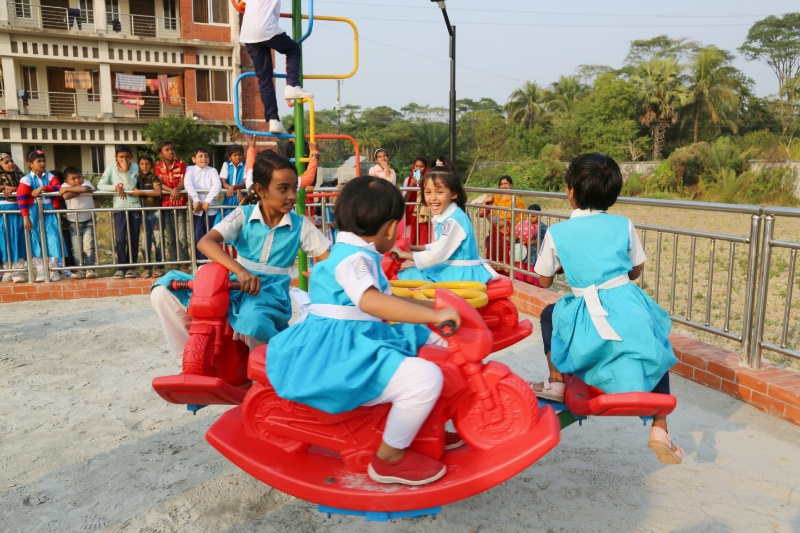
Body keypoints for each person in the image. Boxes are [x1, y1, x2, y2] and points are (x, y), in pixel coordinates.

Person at [266, 176, 461, 486]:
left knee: (430, 341)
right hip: (340, 352)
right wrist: (434, 316)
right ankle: (389, 459)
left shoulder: (349, 252)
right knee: (425, 378)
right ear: (390, 228)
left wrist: (427, 312)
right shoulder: (355, 260)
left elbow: (383, 298)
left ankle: (424, 428)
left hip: (353, 337)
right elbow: (371, 302)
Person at [530, 153, 683, 465]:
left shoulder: (558, 232)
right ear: (613, 194)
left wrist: (566, 271)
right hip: (626, 303)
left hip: (584, 310)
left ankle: (557, 381)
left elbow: (543, 280)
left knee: (549, 315)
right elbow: (635, 270)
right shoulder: (623, 224)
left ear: (570, 191)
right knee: (655, 342)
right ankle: (660, 427)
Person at [151, 152, 330, 357]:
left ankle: (262, 377)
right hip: (234, 283)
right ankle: (191, 356)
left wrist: (321, 274)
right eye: (283, 189)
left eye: (294, 189)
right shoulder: (243, 214)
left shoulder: (301, 225)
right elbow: (205, 242)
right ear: (261, 190)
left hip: (269, 293)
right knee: (163, 290)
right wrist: (240, 271)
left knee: (253, 320)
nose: (291, 196)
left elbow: (329, 260)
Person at [393, 168, 498, 284]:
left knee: (408, 277)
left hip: (459, 274)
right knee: (411, 273)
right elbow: (441, 245)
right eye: (428, 192)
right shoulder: (451, 215)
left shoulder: (453, 221)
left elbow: (437, 255)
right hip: (454, 269)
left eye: (439, 192)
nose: (433, 198)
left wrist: (403, 254)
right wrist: (412, 247)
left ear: (453, 194)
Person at [239, 0, 313, 134]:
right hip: (266, 28)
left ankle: (273, 119)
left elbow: (241, 4)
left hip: (248, 33)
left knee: (264, 78)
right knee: (293, 50)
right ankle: (292, 85)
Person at [15, 150, 63, 282]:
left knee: (53, 239)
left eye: (44, 161)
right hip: (33, 211)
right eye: (39, 161)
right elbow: (21, 198)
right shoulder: (26, 179)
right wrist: (26, 216)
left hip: (49, 210)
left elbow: (58, 187)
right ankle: (41, 270)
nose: (42, 164)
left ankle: (54, 270)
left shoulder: (50, 176)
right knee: (35, 240)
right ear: (30, 164)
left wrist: (42, 189)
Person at [97, 144, 141, 279]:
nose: (124, 159)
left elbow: (131, 186)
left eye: (127, 157)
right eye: (121, 157)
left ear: (131, 157)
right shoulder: (111, 168)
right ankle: (121, 267)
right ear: (116, 157)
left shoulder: (134, 167)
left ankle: (131, 267)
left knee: (133, 239)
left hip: (134, 208)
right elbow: (100, 185)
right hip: (119, 208)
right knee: (121, 239)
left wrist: (126, 171)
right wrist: (115, 187)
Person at [154, 141, 188, 272]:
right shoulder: (158, 166)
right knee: (171, 237)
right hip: (166, 205)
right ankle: (174, 263)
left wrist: (177, 189)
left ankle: (185, 262)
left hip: (179, 205)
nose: (170, 152)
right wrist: (172, 190)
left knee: (182, 237)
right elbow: (159, 183)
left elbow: (184, 182)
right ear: (161, 153)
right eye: (167, 150)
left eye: (172, 149)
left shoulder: (181, 164)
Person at [183, 147, 222, 262]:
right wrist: (196, 200)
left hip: (211, 208)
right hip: (197, 209)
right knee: (198, 234)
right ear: (194, 159)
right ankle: (201, 262)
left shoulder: (212, 170)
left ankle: (214, 260)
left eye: (206, 156)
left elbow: (217, 186)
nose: (204, 158)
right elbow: (188, 184)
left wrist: (207, 201)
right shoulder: (189, 169)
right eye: (200, 156)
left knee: (212, 235)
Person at [58, 167, 97, 279]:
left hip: (88, 219)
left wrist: (70, 190)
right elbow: (66, 196)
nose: (77, 181)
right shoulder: (64, 186)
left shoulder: (87, 182)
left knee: (89, 245)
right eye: (73, 179)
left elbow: (85, 188)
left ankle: (89, 269)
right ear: (66, 181)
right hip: (73, 221)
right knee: (76, 247)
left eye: (79, 177)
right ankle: (80, 269)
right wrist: (70, 190)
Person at [481, 175, 525, 275]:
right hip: (495, 230)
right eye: (501, 184)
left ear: (511, 185)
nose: (504, 186)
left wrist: (506, 223)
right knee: (493, 256)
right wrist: (485, 201)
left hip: (508, 232)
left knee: (506, 257)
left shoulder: (517, 200)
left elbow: (521, 217)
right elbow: (482, 213)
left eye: (506, 184)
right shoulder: (495, 198)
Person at [132, 155, 163, 278]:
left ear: (152, 165)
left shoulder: (154, 177)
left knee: (158, 240)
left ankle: (160, 267)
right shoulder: (136, 179)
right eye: (142, 164)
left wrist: (141, 192)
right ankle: (147, 268)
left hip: (155, 212)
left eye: (148, 164)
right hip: (143, 213)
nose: (145, 166)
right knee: (145, 242)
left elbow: (158, 192)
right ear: (139, 165)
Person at [0, 153, 27, 282]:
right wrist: (4, 187)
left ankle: (18, 271)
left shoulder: (20, 176)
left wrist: (16, 189)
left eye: (11, 161)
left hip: (17, 210)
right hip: (2, 212)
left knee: (18, 239)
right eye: (6, 162)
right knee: (4, 242)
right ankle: (7, 271)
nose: (11, 164)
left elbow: (27, 186)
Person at [514, 203, 548, 286]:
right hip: (524, 253)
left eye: (533, 217)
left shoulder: (543, 227)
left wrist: (535, 242)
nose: (530, 218)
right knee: (523, 267)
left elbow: (546, 241)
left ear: (539, 216)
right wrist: (519, 240)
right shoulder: (523, 224)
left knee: (533, 268)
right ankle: (522, 282)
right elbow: (517, 235)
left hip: (535, 255)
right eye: (528, 216)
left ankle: (533, 283)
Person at [402, 155, 431, 246]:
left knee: (424, 237)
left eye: (421, 166)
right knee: (411, 238)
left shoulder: (429, 180)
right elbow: (405, 200)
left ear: (425, 168)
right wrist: (411, 185)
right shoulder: (408, 180)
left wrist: (423, 184)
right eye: (416, 166)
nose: (418, 169)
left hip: (424, 214)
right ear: (413, 166)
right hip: (411, 213)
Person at [220, 144, 246, 212]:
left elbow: (245, 183)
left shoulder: (245, 165)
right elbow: (224, 183)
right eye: (235, 155)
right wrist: (236, 189)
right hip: (229, 197)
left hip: (241, 197)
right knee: (223, 218)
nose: (238, 157)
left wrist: (233, 187)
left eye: (240, 154)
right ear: (229, 157)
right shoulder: (226, 165)